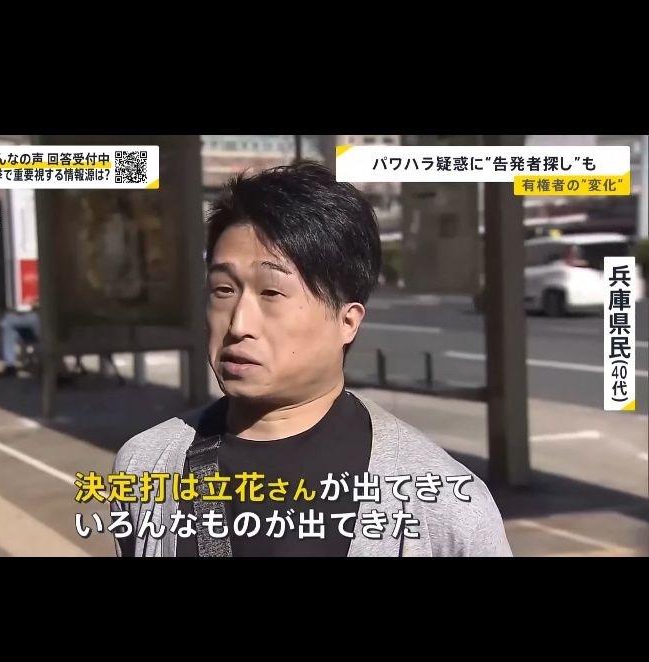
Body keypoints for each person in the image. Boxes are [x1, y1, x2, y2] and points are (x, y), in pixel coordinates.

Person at [111, 162, 512, 557]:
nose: (238, 324)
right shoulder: (145, 466)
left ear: (347, 321)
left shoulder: (445, 507)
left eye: (271, 292)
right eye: (223, 290)